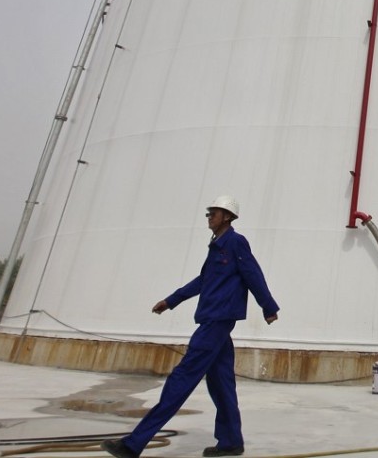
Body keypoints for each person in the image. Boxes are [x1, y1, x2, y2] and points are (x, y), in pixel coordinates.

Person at [102, 195, 280, 458]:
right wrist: (171, 301)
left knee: (181, 380)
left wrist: (269, 307)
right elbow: (203, 280)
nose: (209, 217)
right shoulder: (216, 245)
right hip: (212, 320)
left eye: (214, 213)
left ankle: (133, 444)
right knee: (222, 384)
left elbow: (252, 273)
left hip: (217, 321)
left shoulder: (235, 242)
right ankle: (231, 441)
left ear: (227, 217)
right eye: (209, 213)